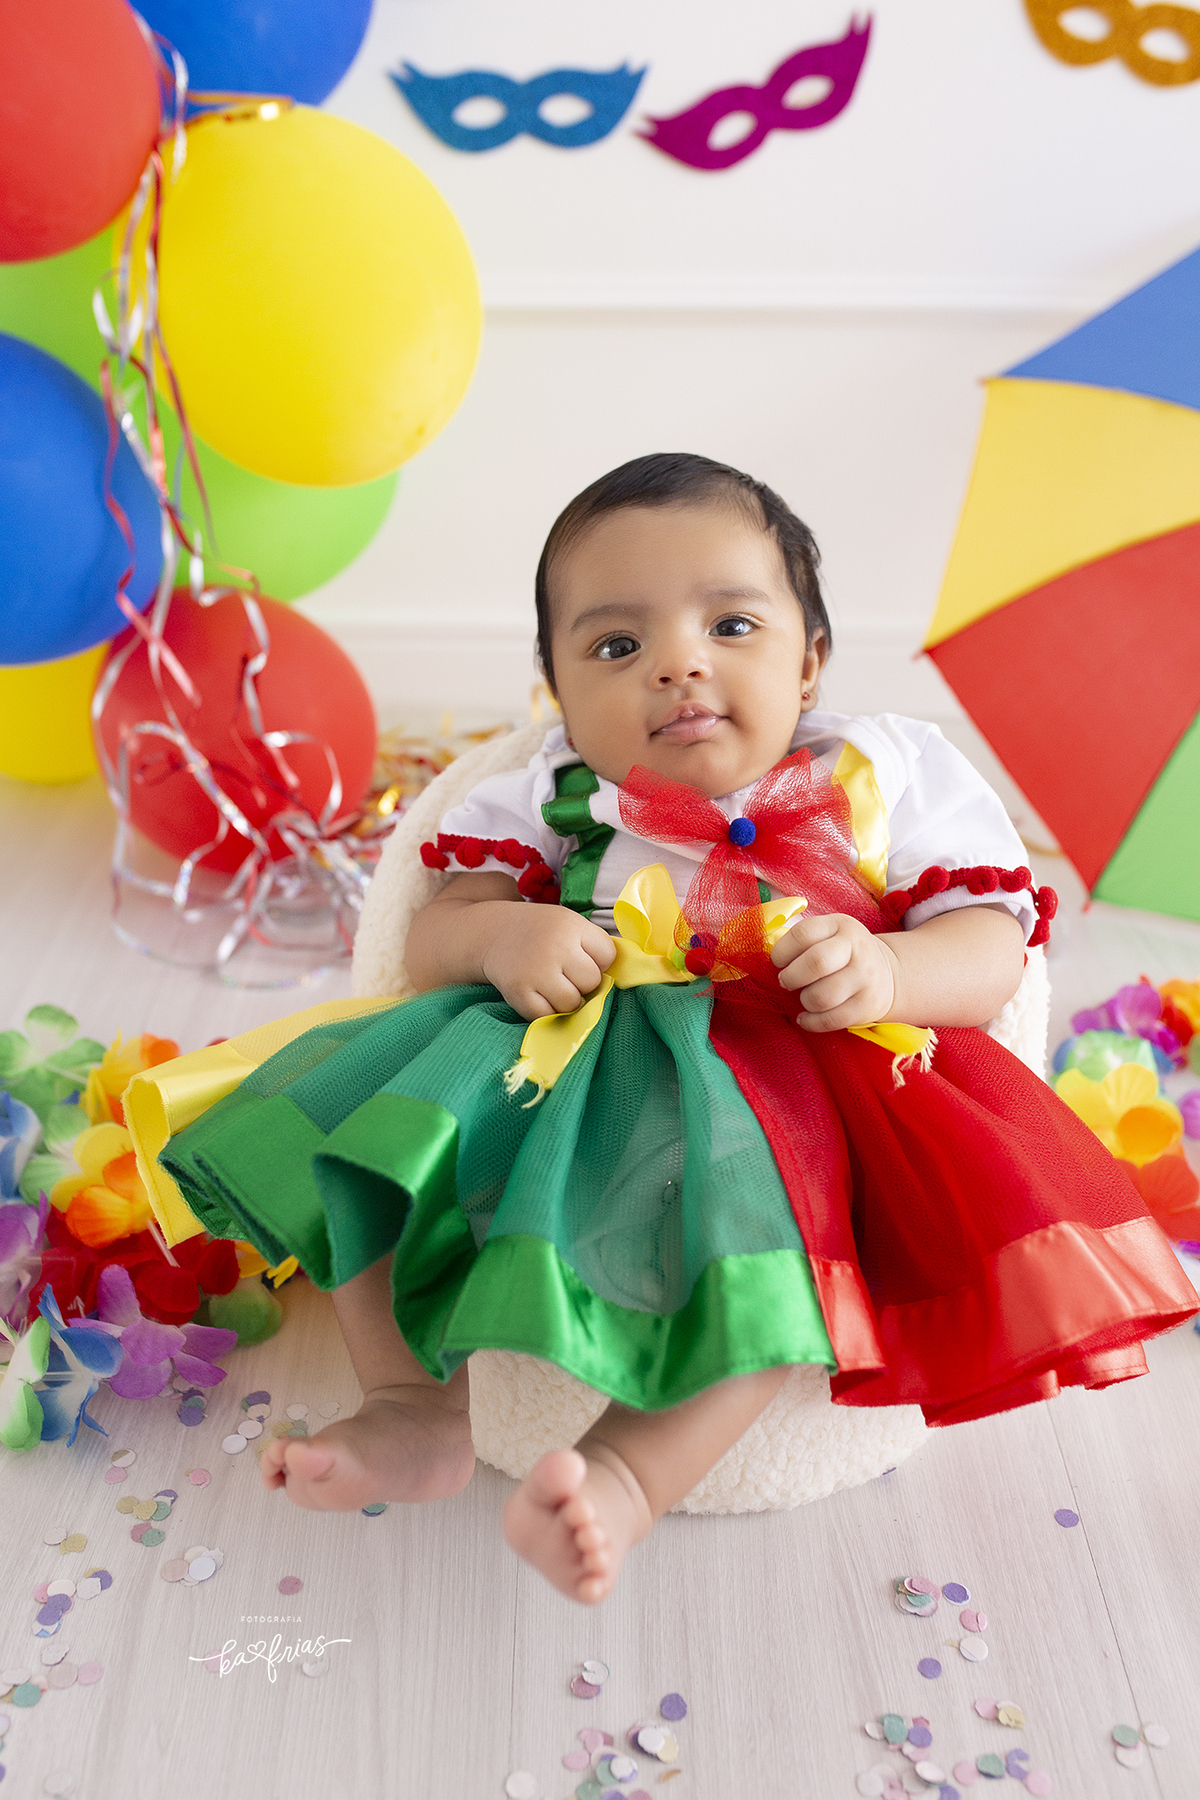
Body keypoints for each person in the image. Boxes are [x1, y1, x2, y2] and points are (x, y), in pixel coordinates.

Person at [156, 453, 1198, 1605]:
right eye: (614, 647)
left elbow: (996, 944)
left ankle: (627, 1472)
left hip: (792, 1069)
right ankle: (410, 1402)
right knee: (367, 1159)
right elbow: (432, 931)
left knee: (781, 1272)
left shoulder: (885, 769)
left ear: (809, 663)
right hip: (570, 1047)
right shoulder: (550, 789)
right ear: (555, 689)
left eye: (732, 623)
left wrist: (889, 967)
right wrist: (504, 940)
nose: (678, 663)